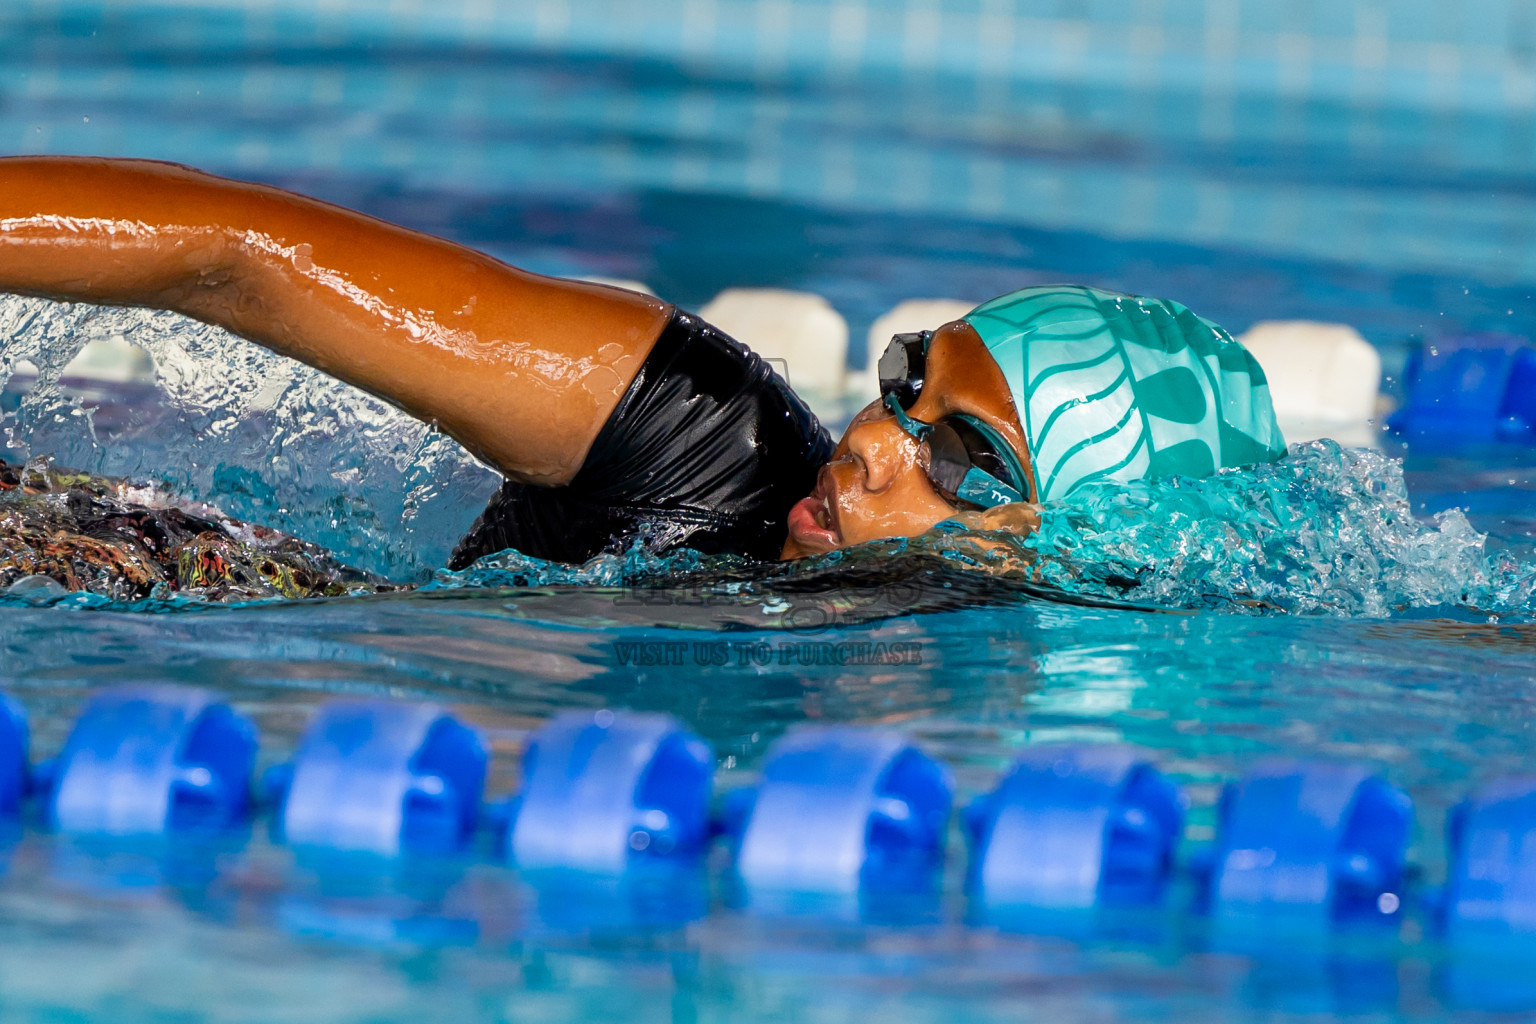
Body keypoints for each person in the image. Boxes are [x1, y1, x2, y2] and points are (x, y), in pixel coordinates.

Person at [0, 157, 1287, 581]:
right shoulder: (702, 431)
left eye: (960, 458)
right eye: (906, 380)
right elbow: (243, 257)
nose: (873, 441)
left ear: (1074, 544)